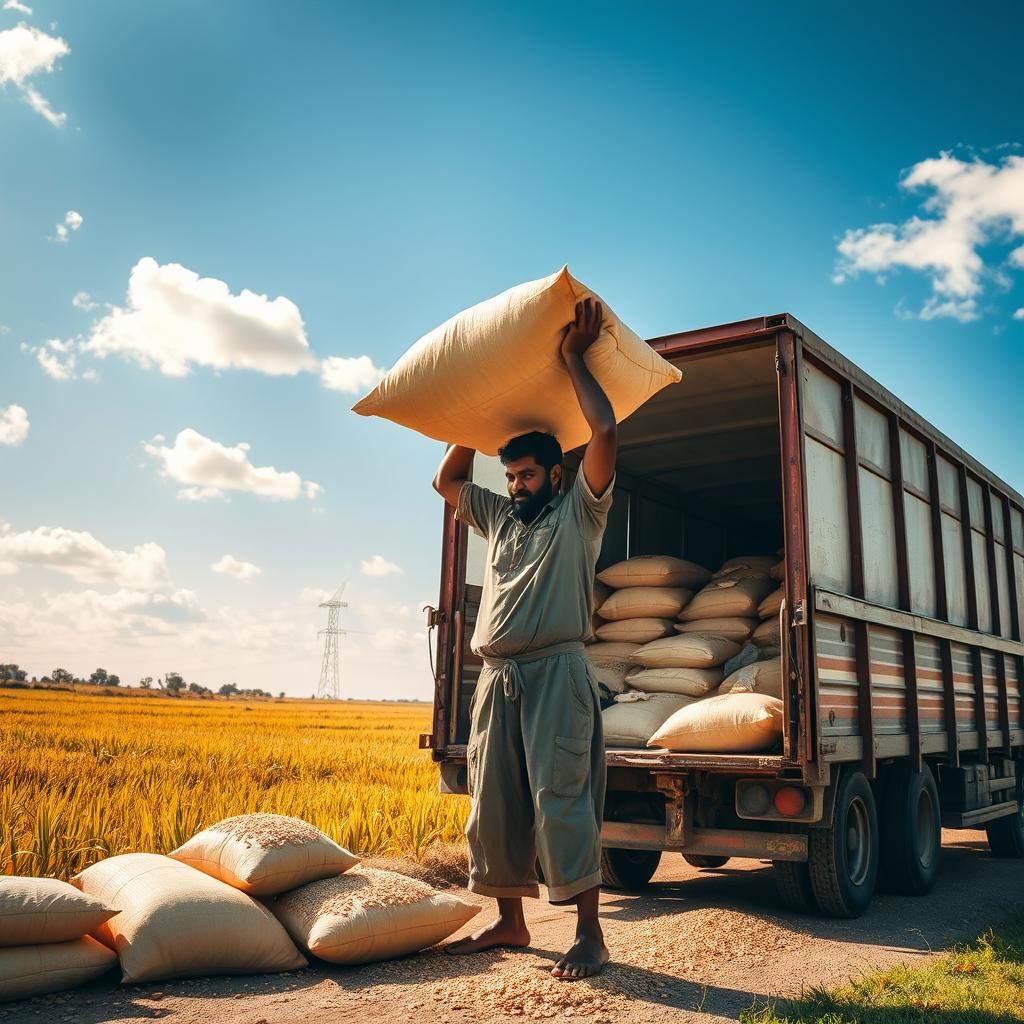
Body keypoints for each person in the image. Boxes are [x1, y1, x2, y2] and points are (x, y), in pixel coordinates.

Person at [432, 297, 616, 980]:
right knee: (495, 803)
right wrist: (472, 423)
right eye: (510, 477)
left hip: (557, 676)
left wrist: (571, 358)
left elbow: (604, 431)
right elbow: (447, 479)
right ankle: (509, 921)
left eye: (527, 475)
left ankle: (591, 935)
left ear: (555, 477)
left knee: (561, 801)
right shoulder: (500, 519)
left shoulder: (579, 516)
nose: (515, 486)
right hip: (498, 681)